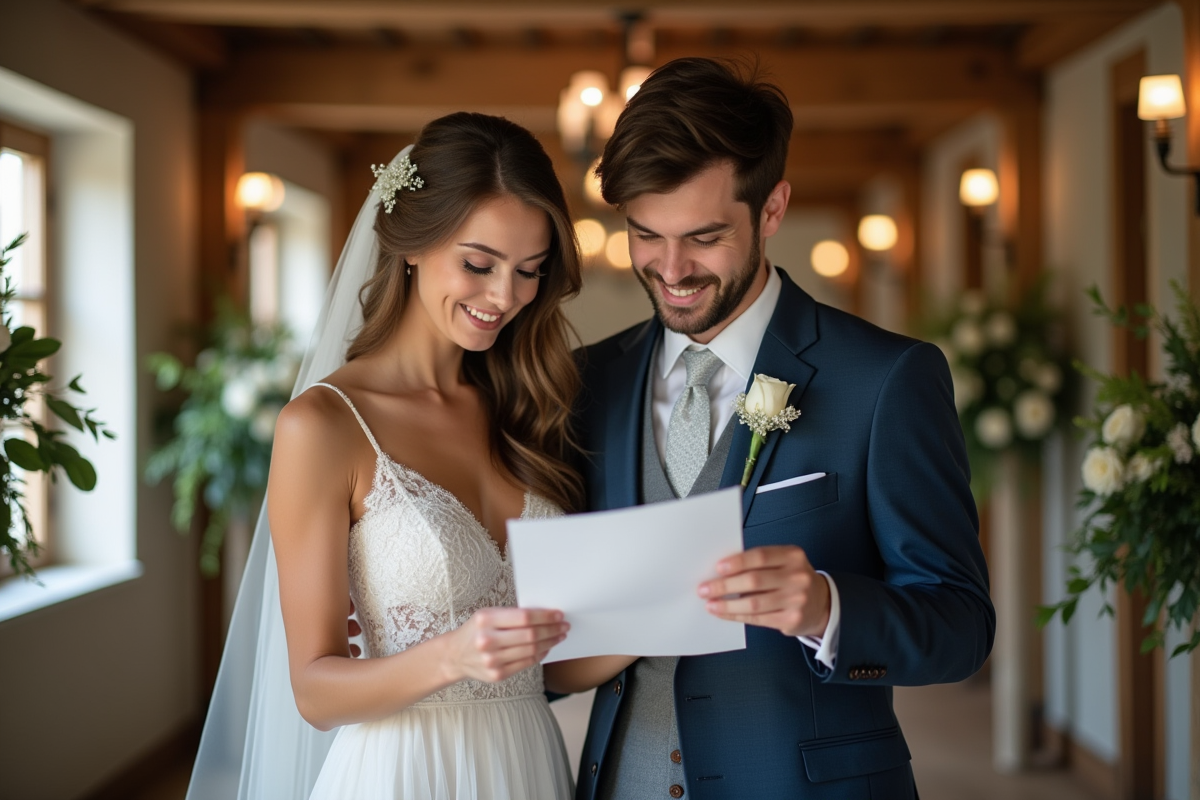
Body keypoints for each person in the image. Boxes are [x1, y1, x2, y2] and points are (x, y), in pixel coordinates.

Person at [555, 57, 996, 800]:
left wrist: (828, 606)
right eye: (644, 235)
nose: (670, 269)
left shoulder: (887, 379)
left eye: (703, 236)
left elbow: (960, 626)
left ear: (772, 210)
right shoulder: (583, 383)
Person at [186, 112, 584, 800]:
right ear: (411, 244)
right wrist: (451, 656)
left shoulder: (526, 409)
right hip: (405, 772)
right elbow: (315, 690)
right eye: (478, 263)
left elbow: (558, 663)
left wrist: (687, 600)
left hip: (528, 762)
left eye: (529, 271)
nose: (504, 296)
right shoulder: (322, 426)